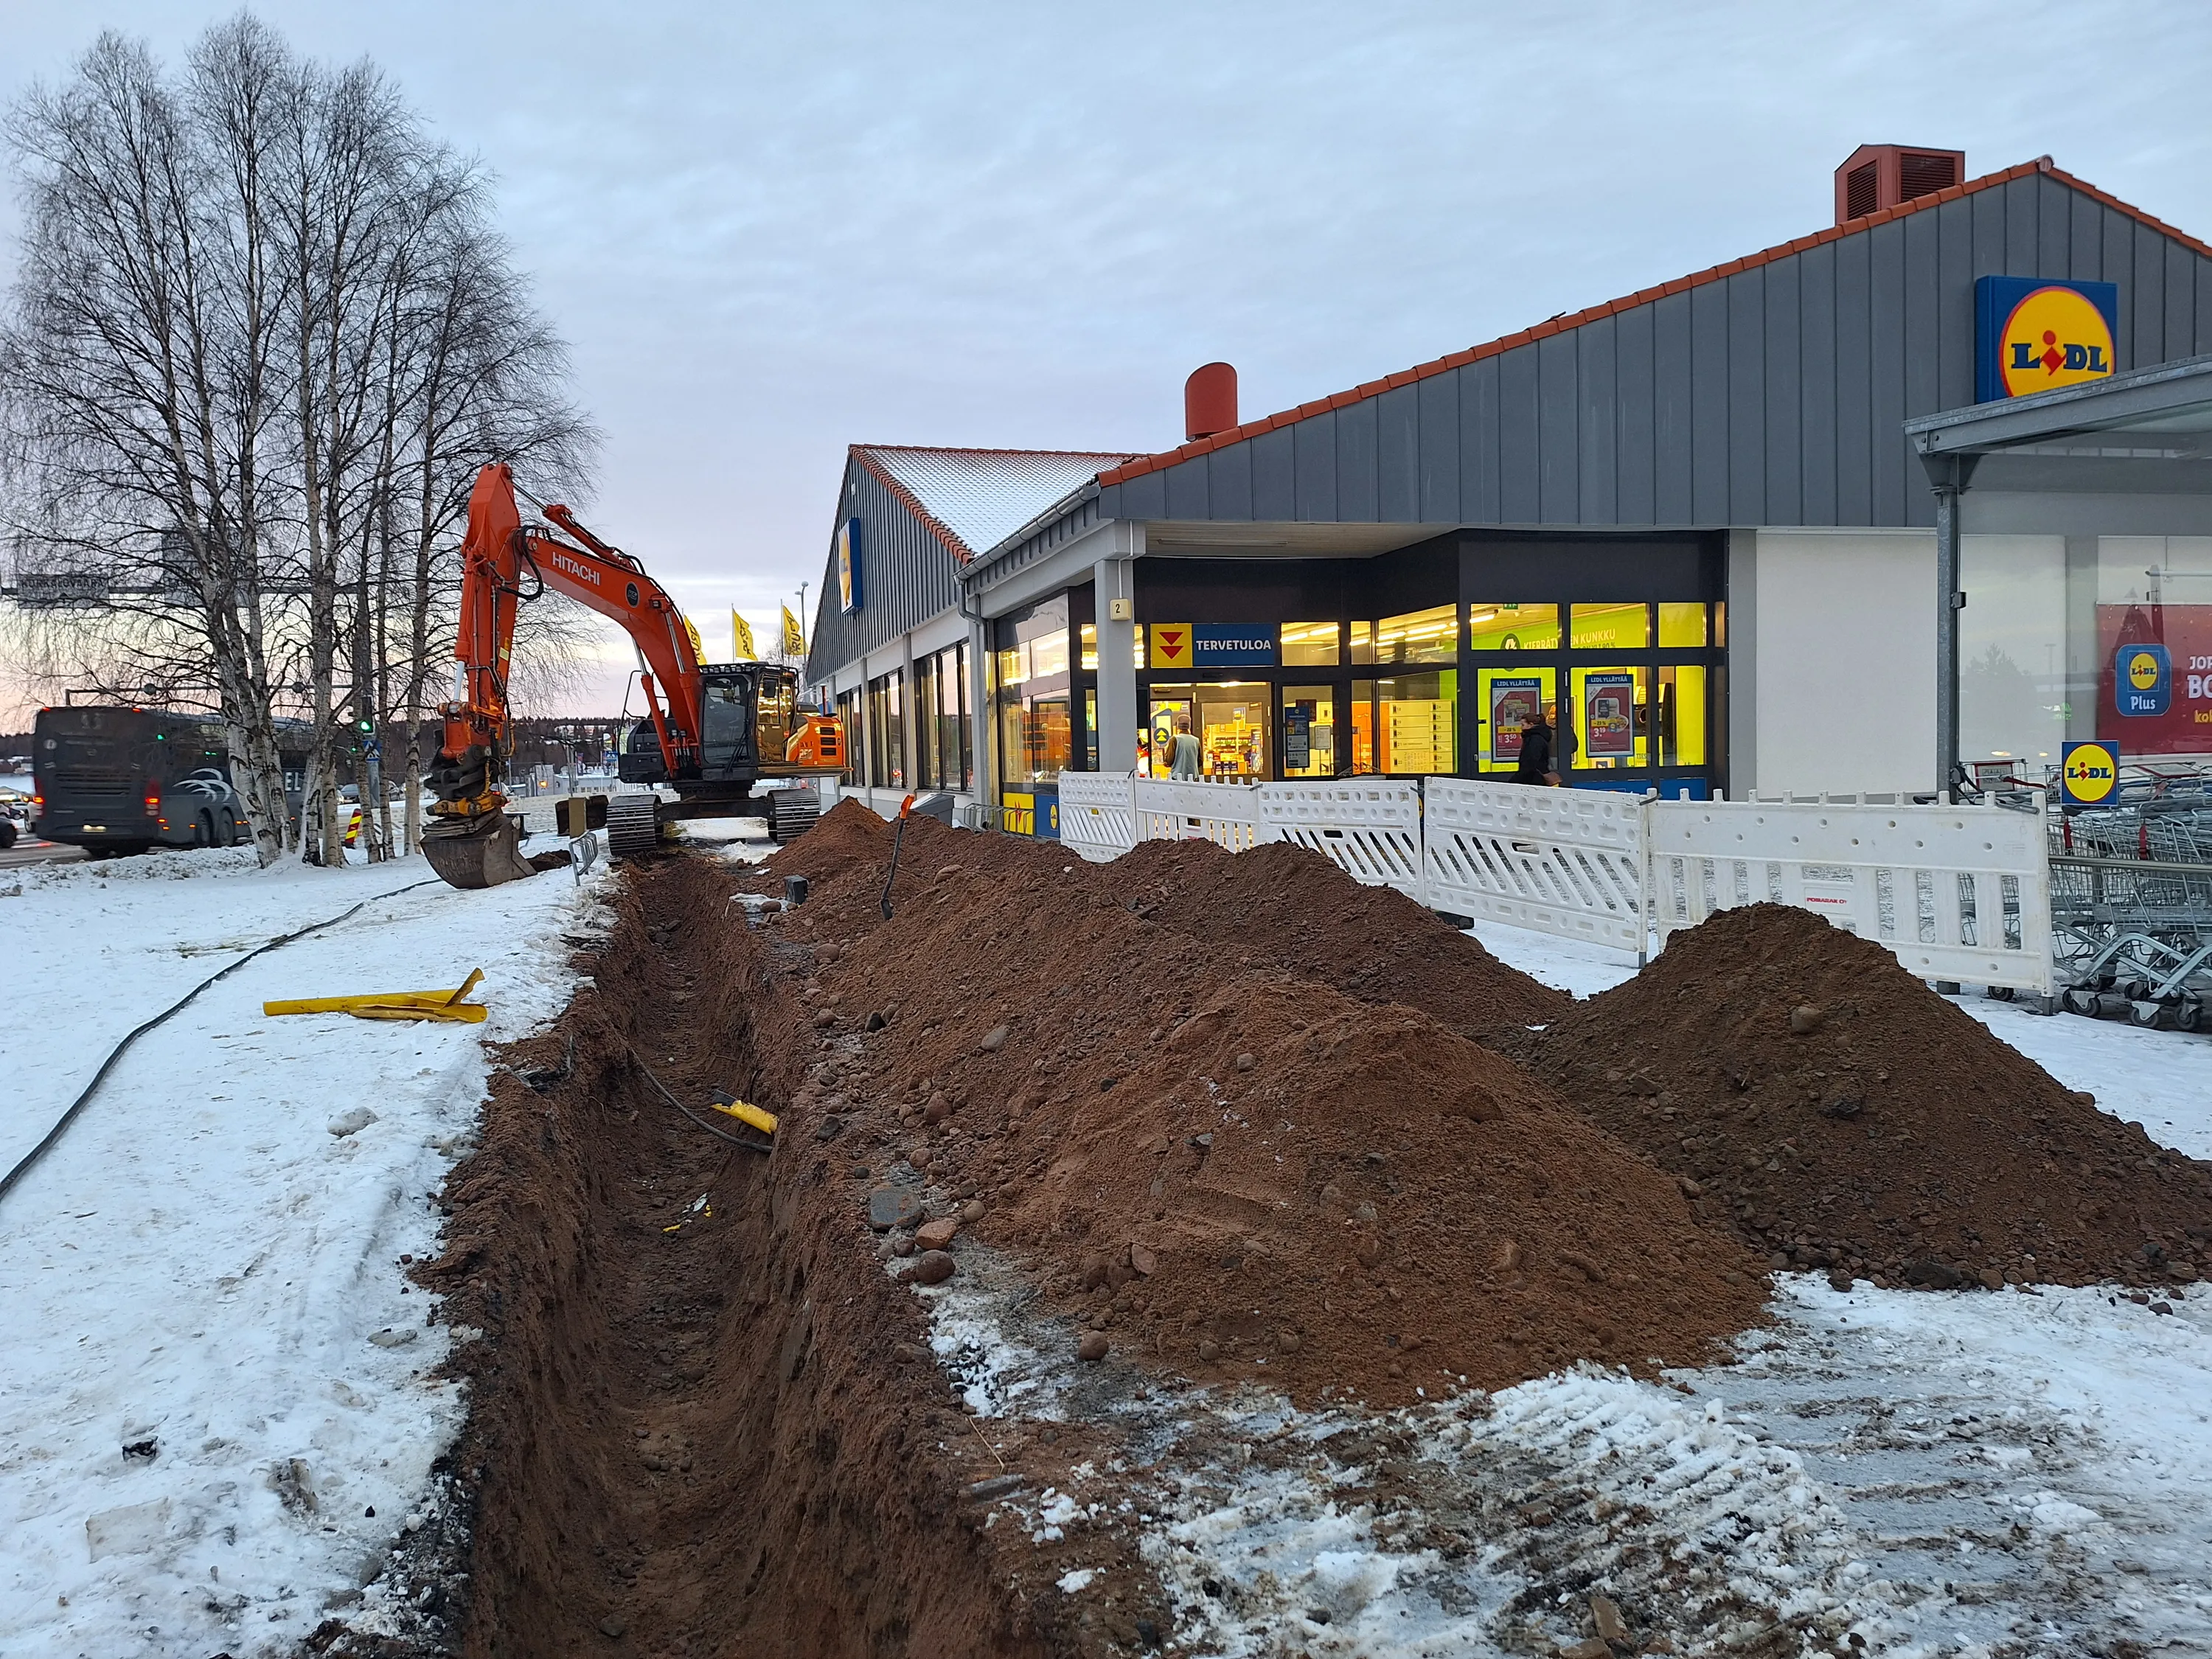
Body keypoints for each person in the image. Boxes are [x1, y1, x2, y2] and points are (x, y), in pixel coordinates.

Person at [1513, 705, 1561, 786]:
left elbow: (1530, 762)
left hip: (1534, 778)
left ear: (1531, 725)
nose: (1521, 728)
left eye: (1523, 725)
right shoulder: (1537, 737)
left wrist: (1516, 779)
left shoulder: (1535, 739)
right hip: (1535, 777)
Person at [1169, 713, 1203, 779]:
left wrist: (1165, 763)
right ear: (1189, 726)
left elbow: (1169, 760)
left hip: (1177, 776)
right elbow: (1200, 761)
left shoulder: (1175, 739)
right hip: (1193, 776)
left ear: (1178, 726)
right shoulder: (1196, 740)